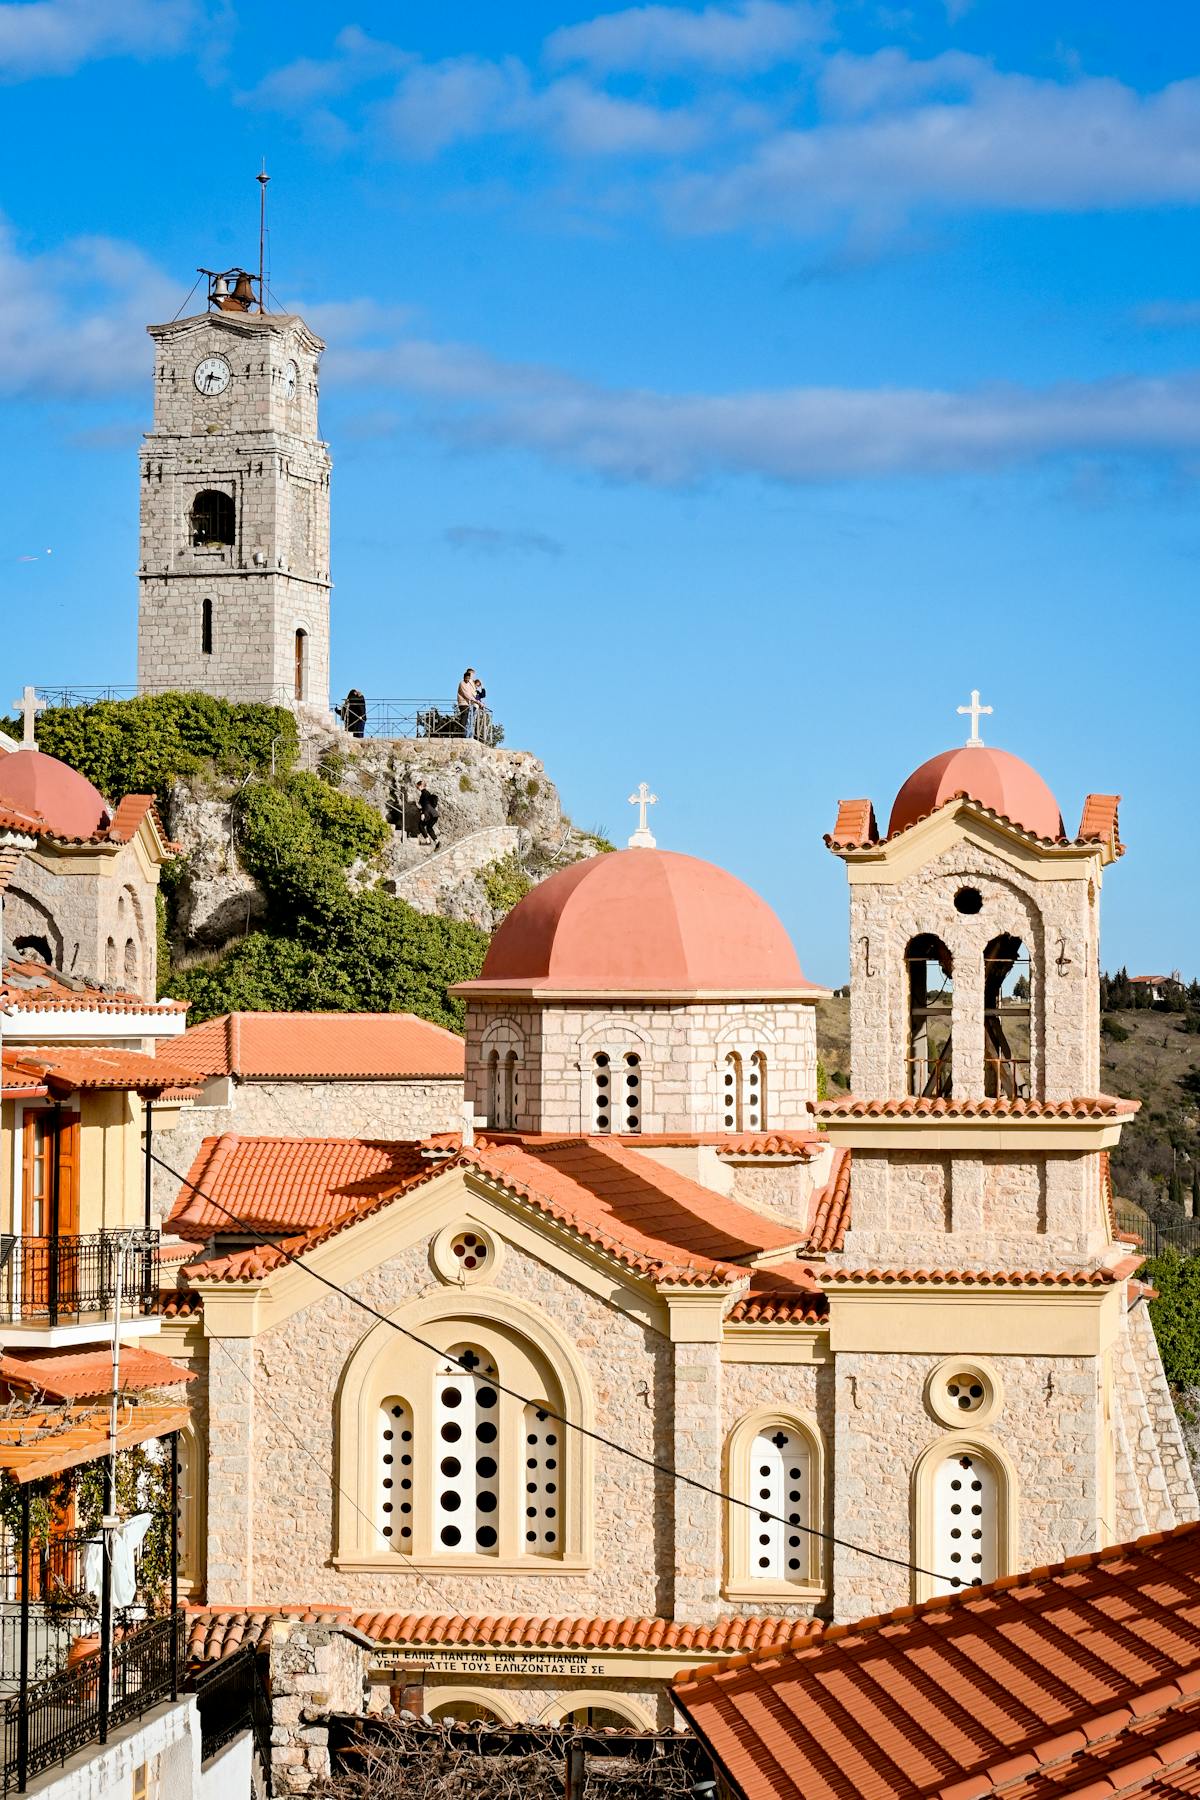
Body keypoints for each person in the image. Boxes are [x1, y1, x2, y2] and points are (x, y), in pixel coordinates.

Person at [457, 668, 479, 741]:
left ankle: (467, 734)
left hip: (468, 703)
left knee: (468, 719)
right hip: (463, 703)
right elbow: (466, 694)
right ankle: (462, 734)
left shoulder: (470, 684)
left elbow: (473, 693)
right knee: (464, 718)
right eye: (467, 678)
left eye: (469, 678)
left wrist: (477, 701)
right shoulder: (462, 683)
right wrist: (475, 701)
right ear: (464, 677)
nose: (468, 679)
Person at [416, 780, 440, 848]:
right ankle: (437, 842)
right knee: (429, 828)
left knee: (421, 825)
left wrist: (423, 813)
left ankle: (428, 841)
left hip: (428, 813)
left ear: (421, 786)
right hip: (434, 814)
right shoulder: (427, 793)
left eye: (417, 786)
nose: (417, 788)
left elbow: (425, 804)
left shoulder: (424, 793)